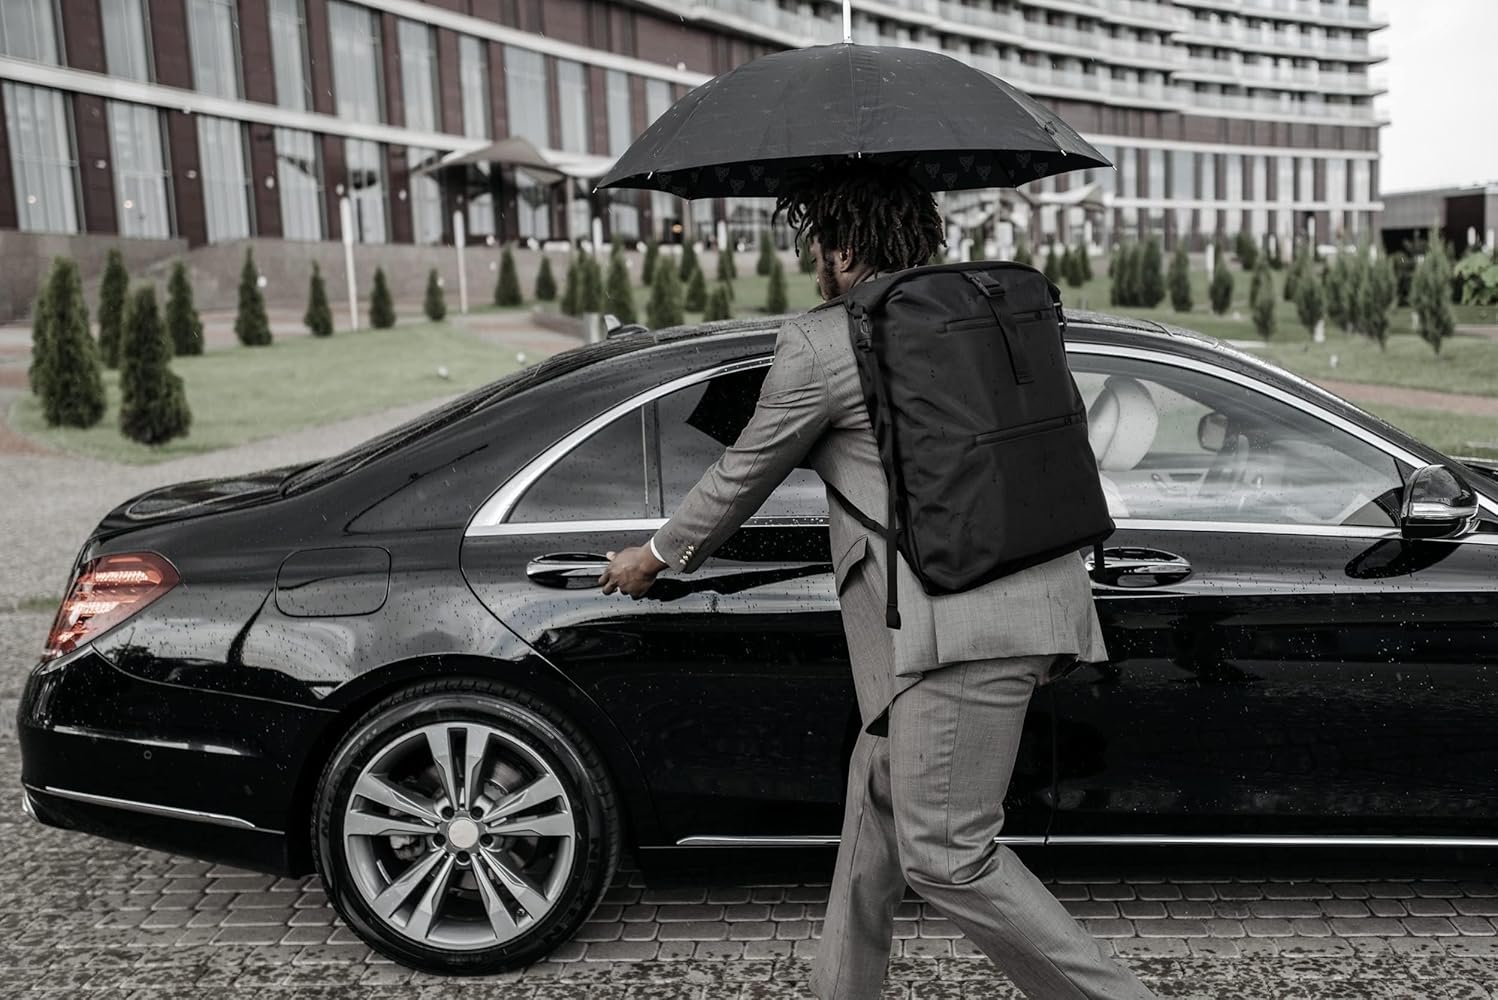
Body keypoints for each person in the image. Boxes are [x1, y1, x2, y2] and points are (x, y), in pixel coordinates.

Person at [598, 161, 1158, 1000]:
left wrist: (655, 555)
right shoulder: (993, 313)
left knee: (948, 854)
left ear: (844, 246)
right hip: (1021, 601)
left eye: (815, 242)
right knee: (877, 806)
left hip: (950, 630)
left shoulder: (826, 340)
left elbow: (743, 470)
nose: (811, 261)